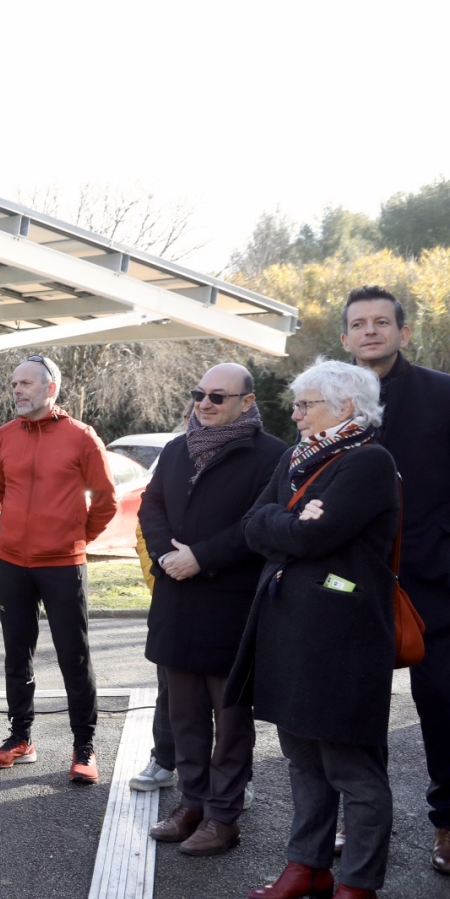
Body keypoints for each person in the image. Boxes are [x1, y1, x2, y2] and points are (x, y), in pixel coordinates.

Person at [230, 360, 398, 899]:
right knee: (303, 761)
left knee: (353, 769)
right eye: (297, 405)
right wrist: (288, 520)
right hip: (290, 631)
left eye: (306, 406)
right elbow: (256, 523)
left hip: (344, 641)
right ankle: (308, 866)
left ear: (346, 407)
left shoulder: (369, 461)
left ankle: (358, 889)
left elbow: (312, 535)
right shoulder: (298, 455)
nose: (294, 415)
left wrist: (290, 524)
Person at [340, 285, 450, 876]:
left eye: (383, 322)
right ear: (346, 338)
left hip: (438, 579)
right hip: (354, 581)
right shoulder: (331, 396)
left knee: (438, 699)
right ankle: (357, 819)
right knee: (354, 707)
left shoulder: (447, 395)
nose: (371, 331)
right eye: (360, 324)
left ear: (403, 333)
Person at [140, 364, 285, 855]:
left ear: (247, 402)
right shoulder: (178, 448)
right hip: (177, 602)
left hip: (231, 607)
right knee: (184, 718)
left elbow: (259, 525)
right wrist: (165, 555)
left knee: (231, 721)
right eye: (199, 393)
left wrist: (201, 558)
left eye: (218, 397)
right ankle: (193, 803)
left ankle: (224, 816)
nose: (204, 403)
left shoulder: (271, 455)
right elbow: (150, 506)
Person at [0, 354, 117, 784]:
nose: (18, 390)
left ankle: (84, 746)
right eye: (15, 383)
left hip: (63, 565)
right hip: (13, 564)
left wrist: (74, 540)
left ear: (50, 388)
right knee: (16, 656)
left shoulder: (81, 437)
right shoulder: (4, 436)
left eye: (26, 383)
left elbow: (106, 500)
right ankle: (20, 738)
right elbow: (3, 490)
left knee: (73, 658)